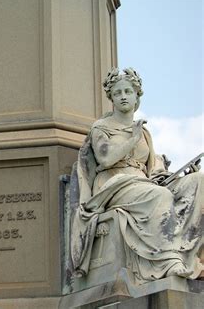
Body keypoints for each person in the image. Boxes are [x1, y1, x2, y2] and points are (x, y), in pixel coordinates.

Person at [71, 68, 203, 283]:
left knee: (197, 182)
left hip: (144, 182)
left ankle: (186, 251)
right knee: (159, 196)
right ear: (111, 98)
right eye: (118, 92)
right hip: (115, 183)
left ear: (136, 96)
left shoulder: (144, 132)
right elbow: (106, 159)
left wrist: (174, 176)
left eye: (128, 91)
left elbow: (153, 168)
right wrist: (132, 139)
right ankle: (168, 260)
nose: (123, 96)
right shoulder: (101, 128)